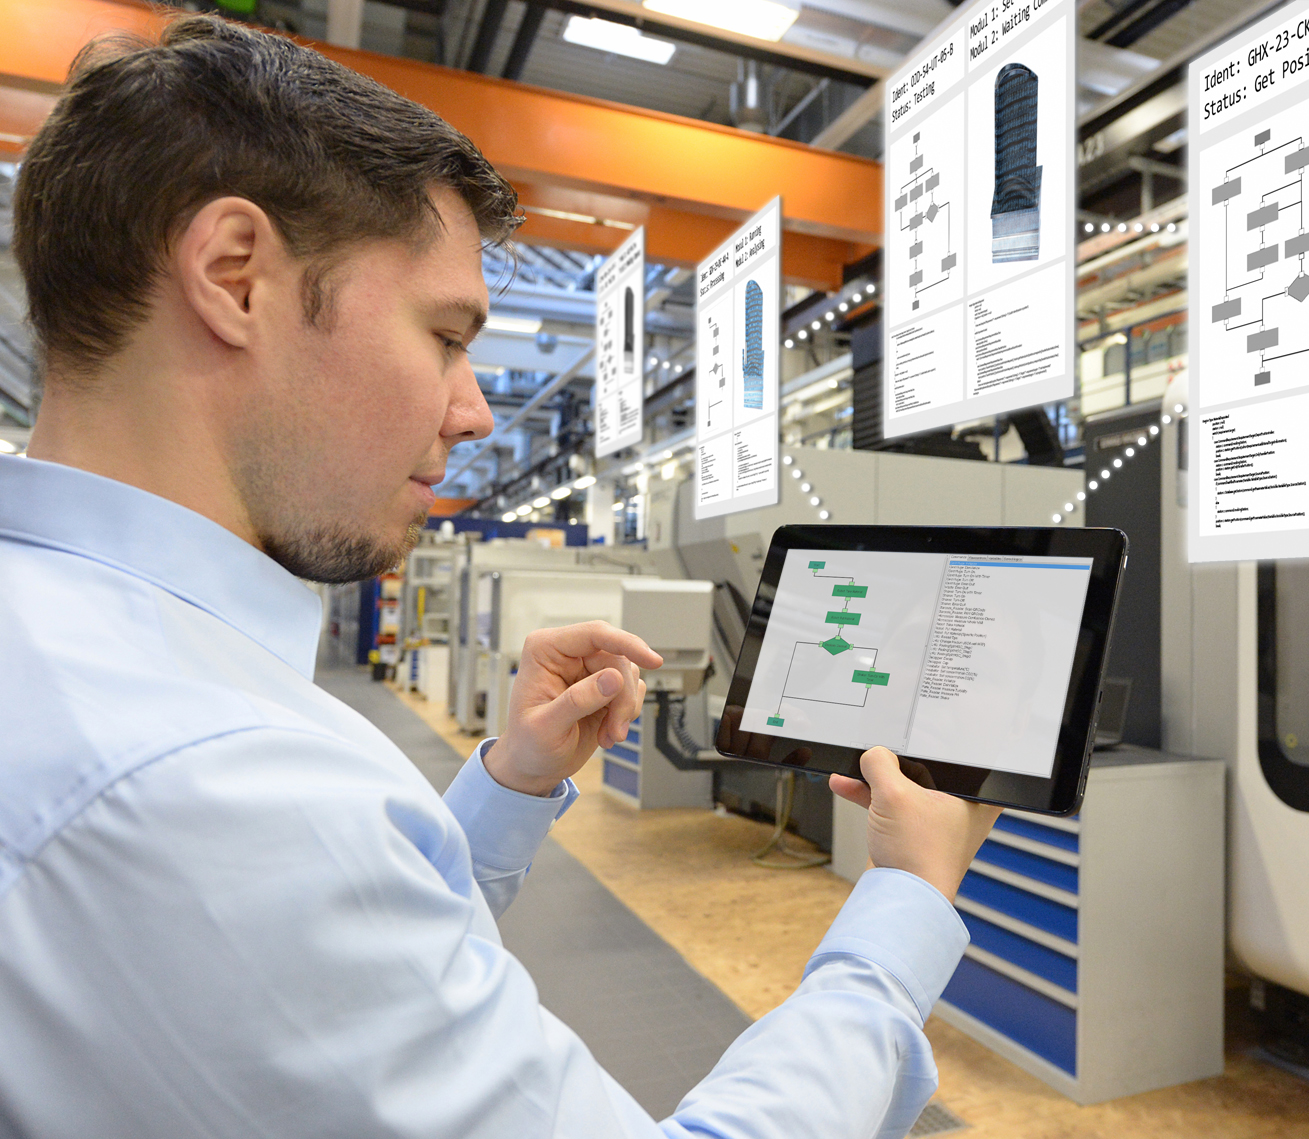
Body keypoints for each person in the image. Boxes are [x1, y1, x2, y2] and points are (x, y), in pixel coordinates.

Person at [0, 15, 1000, 1137]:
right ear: (236, 277)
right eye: (444, 335)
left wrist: (509, 786)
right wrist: (904, 906)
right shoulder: (211, 782)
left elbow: (334, 974)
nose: (474, 410)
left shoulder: (77, 653)